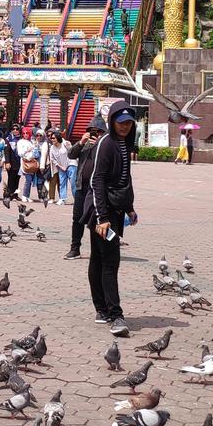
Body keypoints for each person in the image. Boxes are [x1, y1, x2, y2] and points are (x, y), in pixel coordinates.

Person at [84, 100, 137, 337]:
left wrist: (129, 208)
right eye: (120, 122)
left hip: (114, 209)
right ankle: (115, 315)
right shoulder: (106, 143)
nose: (124, 127)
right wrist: (102, 217)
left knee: (99, 259)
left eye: (128, 123)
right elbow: (97, 181)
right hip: (102, 212)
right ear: (112, 121)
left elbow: (125, 178)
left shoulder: (123, 142)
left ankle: (102, 310)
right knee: (110, 262)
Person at [65, 116, 106, 260]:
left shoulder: (104, 145)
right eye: (92, 131)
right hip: (81, 187)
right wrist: (81, 142)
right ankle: (75, 248)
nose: (95, 134)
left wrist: (98, 144)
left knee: (97, 220)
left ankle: (102, 249)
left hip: (96, 190)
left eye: (98, 131)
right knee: (77, 218)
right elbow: (71, 154)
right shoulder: (85, 144)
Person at [49, 130, 74, 205]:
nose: (52, 139)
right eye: (51, 138)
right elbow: (52, 159)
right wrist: (60, 166)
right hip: (61, 167)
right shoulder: (52, 148)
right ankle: (62, 199)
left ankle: (77, 198)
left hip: (71, 164)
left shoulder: (65, 143)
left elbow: (72, 152)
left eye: (53, 138)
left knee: (73, 183)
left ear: (58, 138)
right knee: (62, 183)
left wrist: (68, 165)